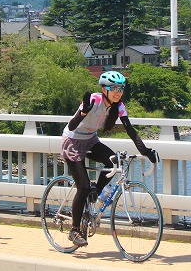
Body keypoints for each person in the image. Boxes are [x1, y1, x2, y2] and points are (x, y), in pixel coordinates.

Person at [61, 70, 158, 247]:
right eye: (113, 88)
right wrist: (83, 112)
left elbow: (130, 130)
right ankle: (74, 230)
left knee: (113, 160)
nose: (118, 92)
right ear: (104, 89)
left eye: (121, 88)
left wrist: (145, 151)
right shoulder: (93, 100)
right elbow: (72, 125)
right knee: (82, 187)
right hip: (73, 141)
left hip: (90, 140)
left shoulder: (118, 106)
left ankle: (95, 193)